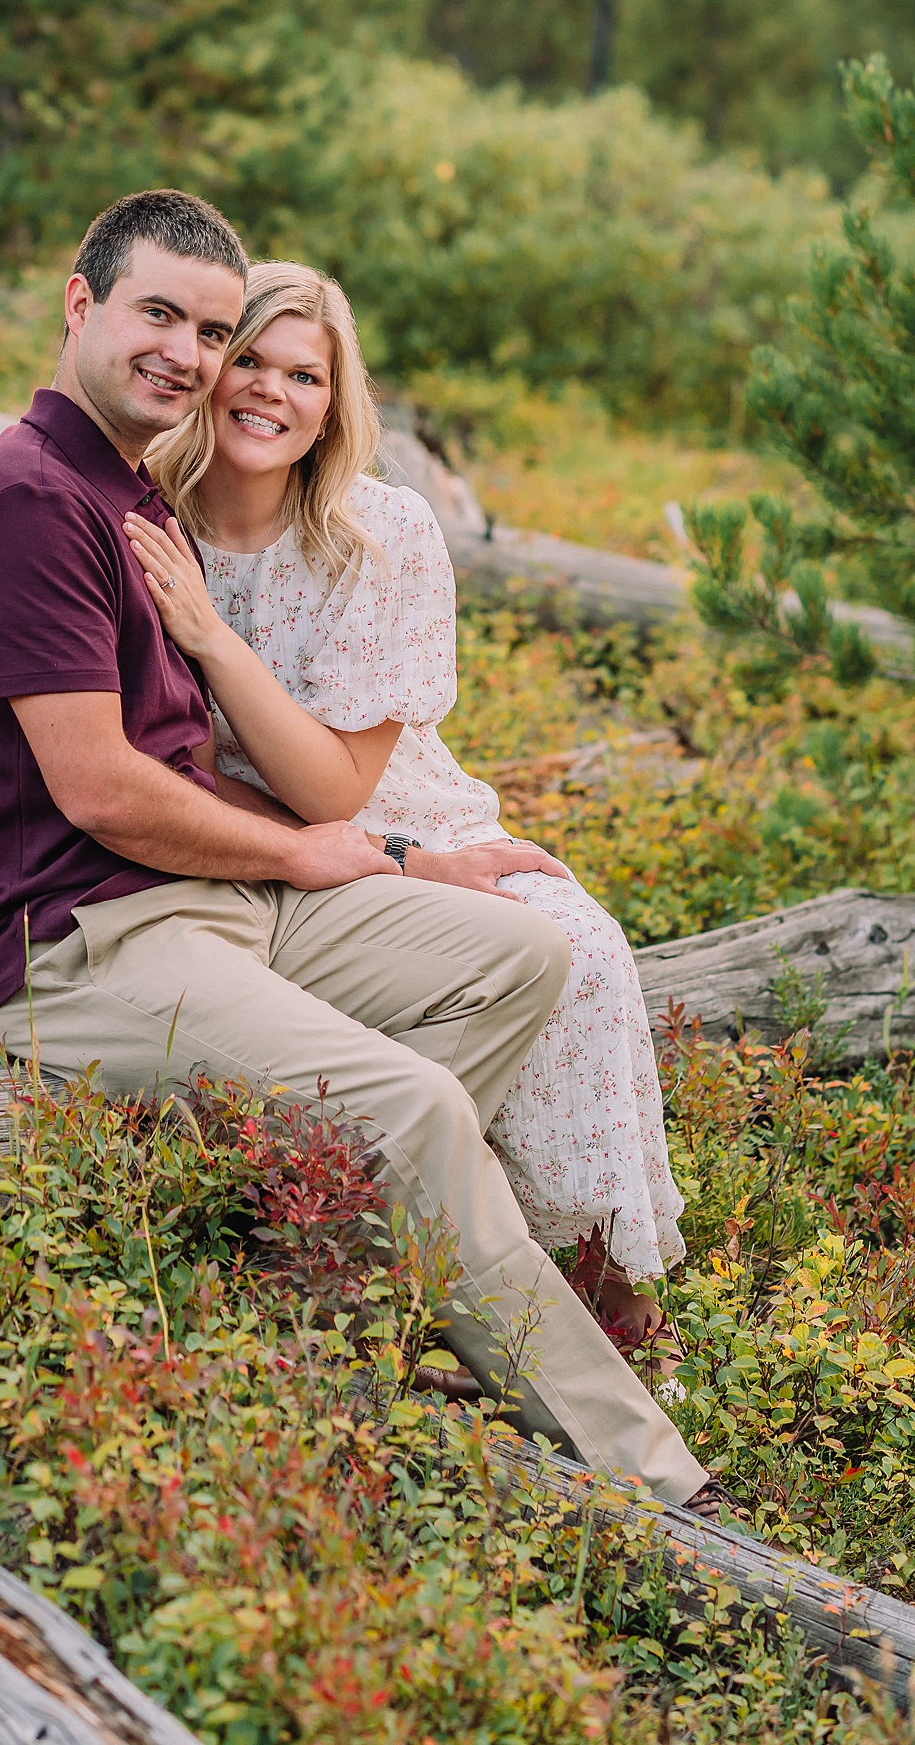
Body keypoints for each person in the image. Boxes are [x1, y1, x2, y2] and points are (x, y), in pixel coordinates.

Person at [0, 188, 711, 1512]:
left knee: (520, 955)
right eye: (158, 315)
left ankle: (325, 1276)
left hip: (204, 895)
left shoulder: (130, 493)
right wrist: (306, 858)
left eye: (208, 330)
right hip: (79, 942)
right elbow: (102, 790)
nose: (187, 354)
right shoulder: (24, 500)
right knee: (417, 1105)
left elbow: (197, 767)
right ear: (80, 303)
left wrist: (398, 857)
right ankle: (646, 1475)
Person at [137, 260, 685, 1350]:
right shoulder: (146, 523)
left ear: (333, 404)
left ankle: (605, 1298)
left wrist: (210, 638)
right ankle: (422, 1279)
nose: (270, 391)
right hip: (240, 836)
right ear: (207, 367)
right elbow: (172, 763)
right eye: (248, 359)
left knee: (576, 947)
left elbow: (335, 787)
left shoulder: (381, 532)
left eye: (305, 375)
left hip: (404, 824)